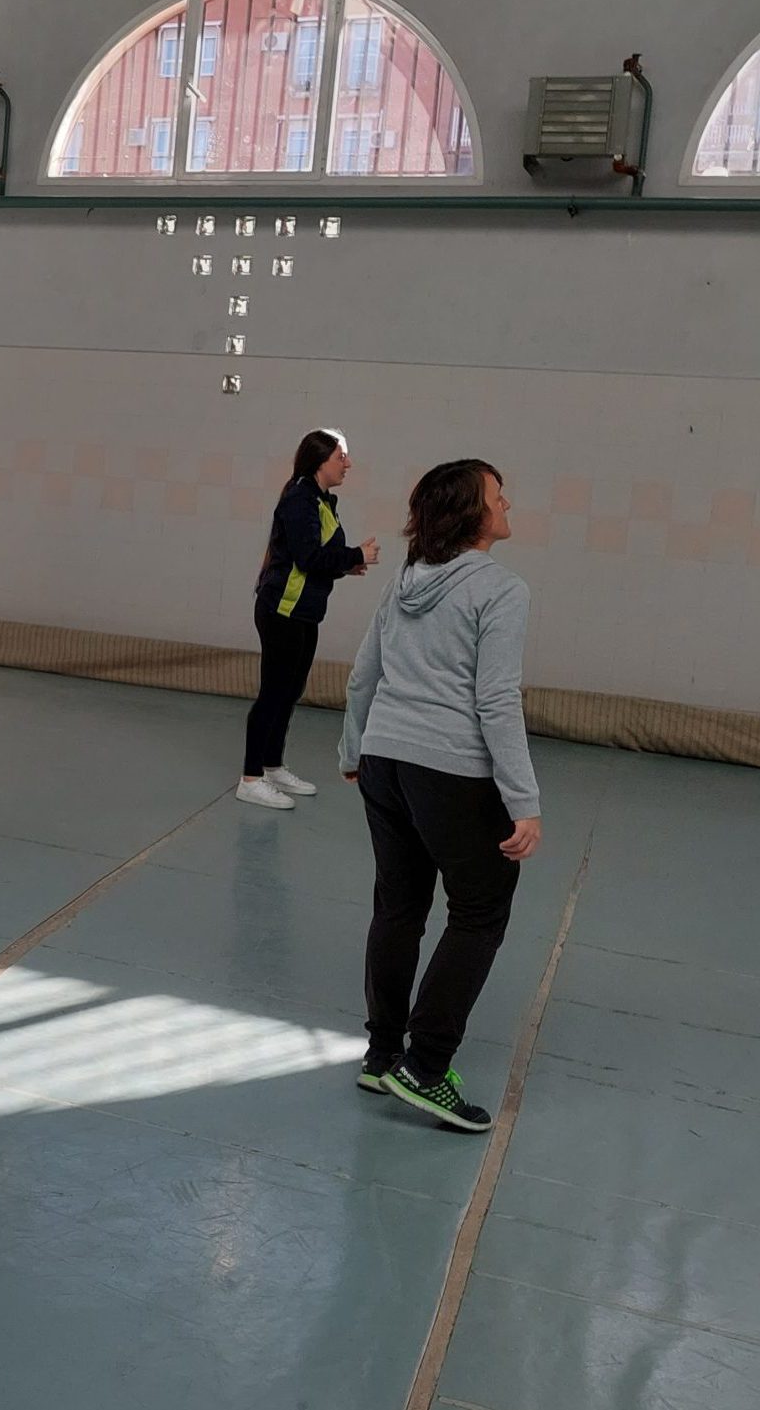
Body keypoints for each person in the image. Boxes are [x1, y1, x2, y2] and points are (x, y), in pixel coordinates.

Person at [340, 459, 540, 1133]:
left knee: (399, 905)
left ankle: (382, 1055)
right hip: (450, 770)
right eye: (497, 495)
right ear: (470, 512)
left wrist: (353, 750)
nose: (506, 503)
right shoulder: (501, 590)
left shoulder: (405, 578)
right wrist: (523, 800)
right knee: (480, 909)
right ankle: (426, 1068)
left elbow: (364, 672)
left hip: (385, 761)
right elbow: (496, 700)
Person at [240, 428, 380, 810]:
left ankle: (272, 766)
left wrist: (346, 565)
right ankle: (250, 778)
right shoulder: (299, 499)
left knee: (291, 690)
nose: (347, 464)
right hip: (282, 610)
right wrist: (355, 555)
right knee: (274, 692)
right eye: (340, 457)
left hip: (305, 611)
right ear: (320, 461)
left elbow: (317, 559)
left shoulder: (322, 501)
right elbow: (307, 558)